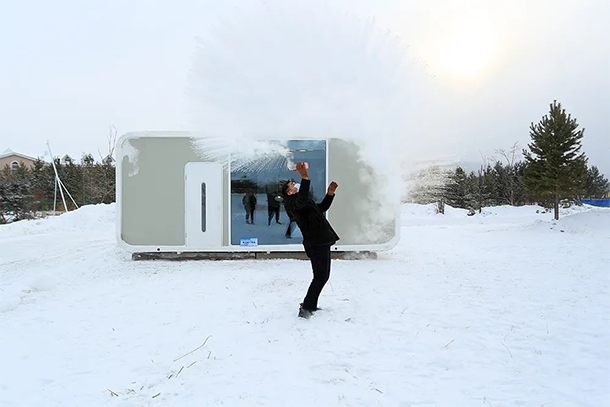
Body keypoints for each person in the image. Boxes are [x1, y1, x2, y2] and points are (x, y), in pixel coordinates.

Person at [282, 162, 339, 319]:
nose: (296, 184)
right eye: (292, 184)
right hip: (316, 243)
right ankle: (307, 307)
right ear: (289, 192)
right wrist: (305, 178)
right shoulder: (292, 203)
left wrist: (329, 194)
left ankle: (310, 305)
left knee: (322, 276)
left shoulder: (303, 201)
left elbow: (321, 209)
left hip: (321, 241)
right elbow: (300, 201)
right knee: (321, 277)